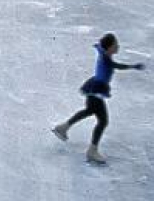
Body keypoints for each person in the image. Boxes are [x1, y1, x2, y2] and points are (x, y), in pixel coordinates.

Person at [51, 33, 145, 165]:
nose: (118, 46)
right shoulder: (107, 59)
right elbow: (117, 66)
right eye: (115, 45)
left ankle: (63, 127)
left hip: (93, 89)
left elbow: (114, 64)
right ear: (109, 48)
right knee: (103, 121)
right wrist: (133, 66)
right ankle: (92, 150)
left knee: (88, 111)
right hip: (96, 91)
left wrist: (132, 67)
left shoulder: (104, 55)